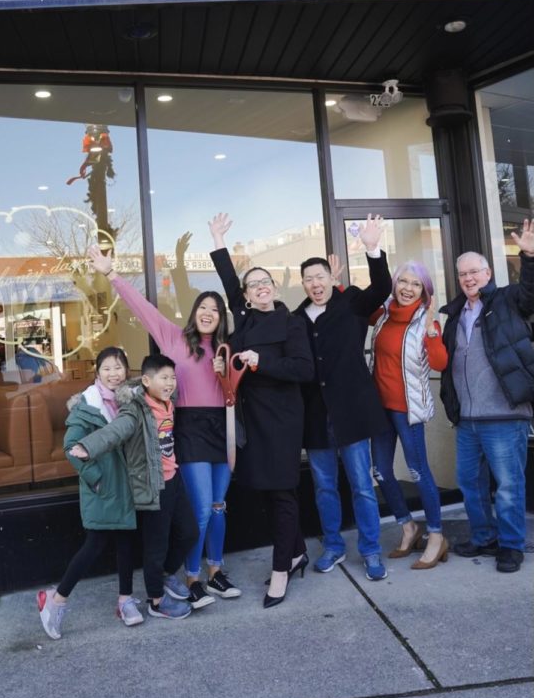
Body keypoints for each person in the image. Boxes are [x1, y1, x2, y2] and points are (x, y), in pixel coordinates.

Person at [88, 244, 241, 609]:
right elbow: (142, 308)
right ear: (194, 312)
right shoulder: (173, 337)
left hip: (224, 427)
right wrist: (111, 274)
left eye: (215, 310)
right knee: (201, 510)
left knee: (219, 506)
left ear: (222, 317)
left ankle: (215, 571)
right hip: (188, 427)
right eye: (203, 307)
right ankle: (191, 577)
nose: (208, 313)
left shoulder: (227, 348)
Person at [209, 213, 314, 608]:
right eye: (254, 285)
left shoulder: (291, 323)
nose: (261, 288)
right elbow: (228, 284)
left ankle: (281, 570)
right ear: (248, 296)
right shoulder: (245, 319)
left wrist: (259, 362)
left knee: (283, 493)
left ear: (274, 288)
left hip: (284, 419)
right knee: (269, 494)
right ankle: (298, 550)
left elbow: (304, 369)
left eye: (266, 282)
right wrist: (219, 242)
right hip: (252, 419)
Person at [293, 215, 392, 582]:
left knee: (363, 486)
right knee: (324, 486)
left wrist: (371, 247)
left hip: (352, 412)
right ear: (302, 284)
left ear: (331, 279)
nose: (315, 283)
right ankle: (333, 545)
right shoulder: (296, 318)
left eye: (321, 277)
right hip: (316, 416)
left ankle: (370, 550)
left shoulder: (350, 303)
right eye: (308, 279)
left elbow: (381, 286)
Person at [70, 354, 200, 620]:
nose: (170, 383)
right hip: (152, 485)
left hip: (174, 479)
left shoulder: (168, 401)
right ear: (146, 380)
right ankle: (156, 601)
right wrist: (88, 446)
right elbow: (117, 429)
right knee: (156, 545)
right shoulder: (136, 409)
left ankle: (163, 575)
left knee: (189, 532)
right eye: (164, 378)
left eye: (172, 378)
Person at [439, 220, 534, 574]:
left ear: (488, 272)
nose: (468, 278)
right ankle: (484, 536)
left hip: (505, 414)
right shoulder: (454, 314)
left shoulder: (507, 300)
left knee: (508, 485)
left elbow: (531, 292)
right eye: (463, 273)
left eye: (474, 271)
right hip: (467, 419)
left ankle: (511, 545)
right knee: (470, 482)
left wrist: (529, 256)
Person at [37, 346, 141, 641]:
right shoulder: (87, 406)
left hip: (127, 487)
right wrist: (96, 480)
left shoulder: (131, 402)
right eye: (107, 368)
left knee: (126, 544)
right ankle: (56, 601)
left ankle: (125, 601)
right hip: (103, 488)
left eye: (119, 367)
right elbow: (71, 447)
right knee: (94, 545)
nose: (113, 374)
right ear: (97, 373)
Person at [369, 261, 449, 568]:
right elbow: (358, 308)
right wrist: (335, 285)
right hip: (380, 408)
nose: (407, 288)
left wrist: (430, 332)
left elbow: (441, 363)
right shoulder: (385, 314)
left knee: (418, 472)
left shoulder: (426, 320)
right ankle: (408, 526)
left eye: (415, 284)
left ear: (424, 290)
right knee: (382, 472)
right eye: (403, 281)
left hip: (408, 410)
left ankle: (437, 536)